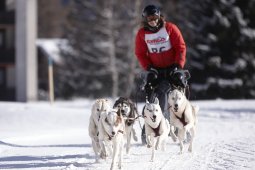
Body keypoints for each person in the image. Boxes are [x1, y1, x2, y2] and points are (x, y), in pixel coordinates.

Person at [135, 4, 189, 144]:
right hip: (155, 69)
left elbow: (180, 47)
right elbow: (140, 53)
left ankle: (183, 125)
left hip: (173, 67)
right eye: (149, 18)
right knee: (153, 92)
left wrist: (178, 66)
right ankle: (150, 128)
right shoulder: (142, 34)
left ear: (159, 17)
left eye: (154, 17)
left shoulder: (170, 28)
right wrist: (149, 67)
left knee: (177, 93)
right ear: (145, 19)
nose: (152, 20)